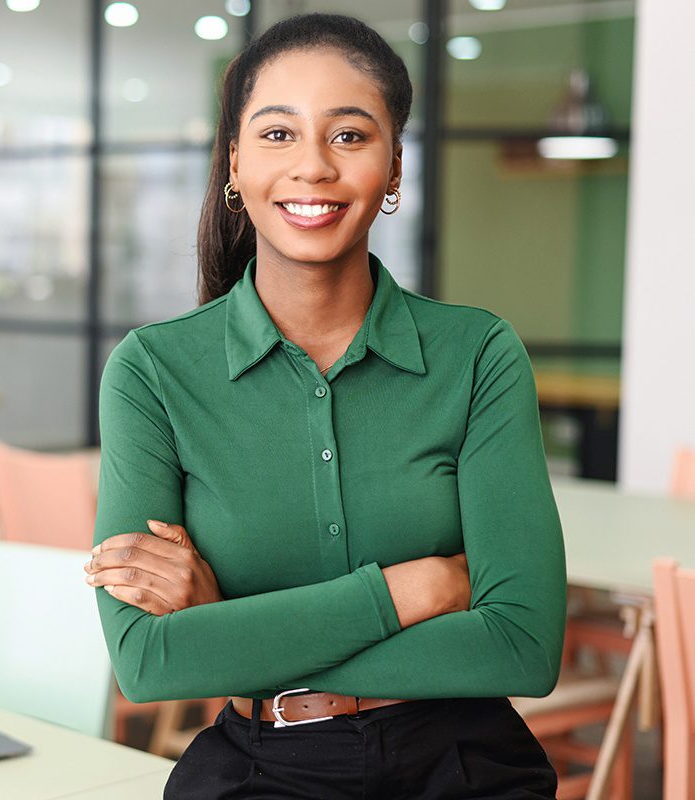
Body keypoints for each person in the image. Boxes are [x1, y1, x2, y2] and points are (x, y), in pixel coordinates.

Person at [84, 13, 566, 799]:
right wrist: (414, 591)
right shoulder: (153, 372)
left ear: (395, 166)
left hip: (464, 766)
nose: (313, 168)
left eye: (349, 136)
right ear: (235, 162)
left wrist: (231, 628)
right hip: (259, 769)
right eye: (277, 135)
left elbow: (523, 646)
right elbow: (149, 662)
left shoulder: (478, 356)